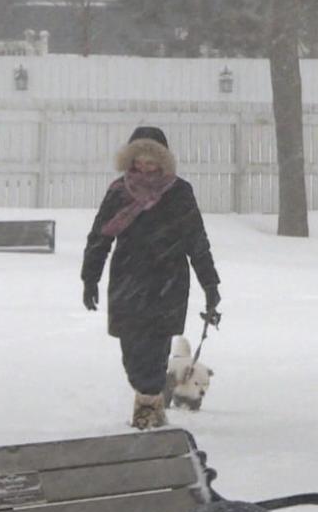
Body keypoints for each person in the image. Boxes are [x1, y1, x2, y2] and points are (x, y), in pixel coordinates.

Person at [82, 126, 221, 429]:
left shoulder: (179, 192)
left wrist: (210, 285)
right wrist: (89, 278)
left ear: (163, 163)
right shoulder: (119, 192)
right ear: (130, 162)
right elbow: (100, 237)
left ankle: (147, 410)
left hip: (167, 282)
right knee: (132, 352)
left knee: (156, 350)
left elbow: (196, 240)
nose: (145, 168)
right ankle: (151, 401)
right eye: (139, 162)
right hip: (128, 279)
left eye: (151, 162)